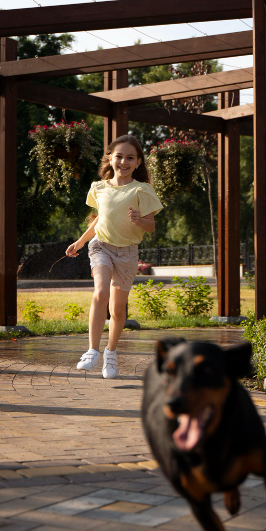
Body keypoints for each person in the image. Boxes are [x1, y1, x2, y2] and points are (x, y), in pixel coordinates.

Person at [66, 135, 163, 379]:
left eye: (130, 157)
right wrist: (80, 242)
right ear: (110, 158)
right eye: (119, 156)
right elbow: (99, 220)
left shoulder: (141, 189)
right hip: (101, 247)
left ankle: (110, 352)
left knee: (118, 310)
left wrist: (139, 220)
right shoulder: (99, 187)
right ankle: (92, 351)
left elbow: (151, 226)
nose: (123, 161)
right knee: (100, 292)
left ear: (138, 162)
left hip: (127, 253)